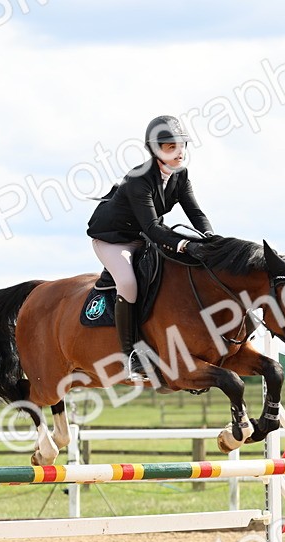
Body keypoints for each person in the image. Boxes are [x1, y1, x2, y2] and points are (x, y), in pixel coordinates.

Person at [87, 115, 215, 378]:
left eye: (181, 146)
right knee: (128, 283)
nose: (179, 152)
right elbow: (153, 228)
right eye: (171, 147)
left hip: (143, 237)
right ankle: (130, 355)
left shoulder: (181, 175)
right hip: (113, 239)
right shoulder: (139, 179)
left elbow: (195, 212)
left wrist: (211, 239)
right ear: (156, 151)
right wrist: (184, 244)